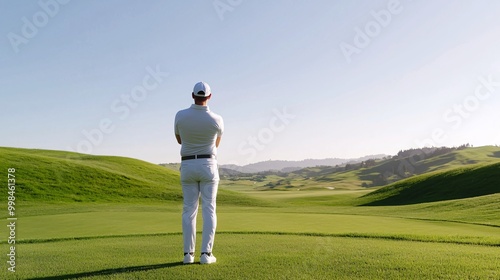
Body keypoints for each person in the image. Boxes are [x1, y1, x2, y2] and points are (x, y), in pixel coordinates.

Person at [174, 81, 224, 265]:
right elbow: (217, 143)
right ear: (209, 96)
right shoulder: (217, 119)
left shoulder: (180, 115)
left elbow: (179, 140)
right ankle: (206, 255)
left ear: (192, 95)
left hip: (187, 165)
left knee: (189, 210)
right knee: (209, 209)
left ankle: (188, 255)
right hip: (208, 164)